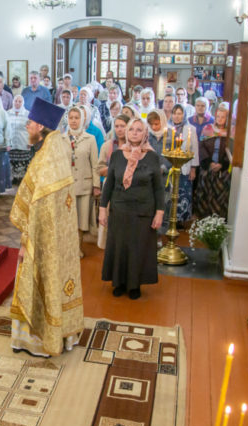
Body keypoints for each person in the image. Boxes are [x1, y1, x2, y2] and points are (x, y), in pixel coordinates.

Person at [10, 98, 83, 357]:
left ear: (40, 126)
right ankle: (62, 335)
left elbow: (37, 201)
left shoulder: (46, 156)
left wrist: (27, 236)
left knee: (43, 274)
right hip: (57, 235)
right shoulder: (54, 149)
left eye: (30, 122)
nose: (27, 125)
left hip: (45, 235)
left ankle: (40, 340)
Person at [99, 118, 165, 300]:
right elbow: (109, 184)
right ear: (126, 133)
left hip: (143, 211)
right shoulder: (117, 155)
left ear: (145, 133)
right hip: (120, 209)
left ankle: (135, 285)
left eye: (139, 130)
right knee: (119, 246)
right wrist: (102, 209)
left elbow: (159, 188)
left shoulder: (152, 157)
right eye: (132, 129)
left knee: (138, 248)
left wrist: (159, 212)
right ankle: (119, 282)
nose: (135, 133)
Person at [65, 105, 100, 257]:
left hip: (84, 186)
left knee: (81, 219)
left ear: (82, 119)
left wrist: (96, 185)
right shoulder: (62, 139)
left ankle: (78, 247)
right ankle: (67, 248)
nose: (74, 121)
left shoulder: (90, 139)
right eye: (71, 118)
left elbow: (95, 164)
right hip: (67, 186)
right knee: (68, 218)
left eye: (77, 118)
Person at [195, 104, 232, 219]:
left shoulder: (231, 132)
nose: (220, 119)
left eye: (223, 117)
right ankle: (203, 219)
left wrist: (222, 164)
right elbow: (201, 147)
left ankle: (217, 220)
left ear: (227, 119)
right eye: (218, 116)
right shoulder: (208, 129)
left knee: (220, 196)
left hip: (223, 171)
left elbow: (232, 150)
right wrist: (209, 162)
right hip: (207, 168)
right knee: (204, 194)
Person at [170, 104, 199, 224]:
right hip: (171, 167)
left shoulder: (190, 129)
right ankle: (170, 218)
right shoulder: (168, 127)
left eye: (179, 113)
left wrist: (193, 168)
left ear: (184, 114)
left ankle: (182, 220)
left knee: (183, 194)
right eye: (175, 113)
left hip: (185, 167)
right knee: (171, 194)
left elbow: (195, 150)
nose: (177, 116)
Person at [8, 95, 31, 184]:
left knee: (23, 162)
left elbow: (32, 129)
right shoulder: (8, 113)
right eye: (15, 101)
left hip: (24, 142)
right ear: (13, 102)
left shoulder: (27, 114)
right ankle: (13, 178)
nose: (17, 103)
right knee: (12, 162)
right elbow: (6, 129)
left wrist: (30, 142)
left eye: (20, 101)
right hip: (12, 142)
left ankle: (22, 180)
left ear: (23, 103)